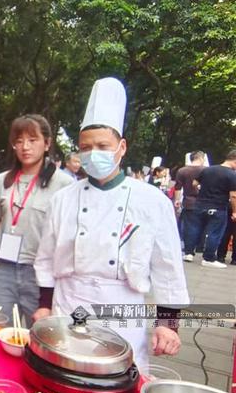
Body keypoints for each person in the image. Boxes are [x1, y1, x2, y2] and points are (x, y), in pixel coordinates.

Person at [33, 77, 189, 371]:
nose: (93, 153)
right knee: (63, 374)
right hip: (68, 303)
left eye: (103, 145)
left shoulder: (152, 201)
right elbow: (45, 257)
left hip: (122, 308)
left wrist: (168, 324)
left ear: (122, 147)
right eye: (85, 147)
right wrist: (44, 304)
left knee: (117, 382)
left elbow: (168, 269)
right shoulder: (64, 198)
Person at [0, 115, 73, 327]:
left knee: (39, 335)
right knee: (0, 329)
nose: (25, 147)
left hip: (40, 275)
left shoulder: (65, 185)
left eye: (32, 140)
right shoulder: (2, 181)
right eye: (19, 141)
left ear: (47, 143)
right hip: (3, 269)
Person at [183, 149, 236, 268]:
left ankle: (188, 253)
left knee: (194, 228)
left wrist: (203, 192)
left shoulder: (207, 170)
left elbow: (195, 184)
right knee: (214, 232)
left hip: (200, 203)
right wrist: (235, 211)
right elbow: (233, 195)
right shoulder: (232, 175)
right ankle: (209, 258)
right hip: (218, 206)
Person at [175, 150, 205, 257]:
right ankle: (203, 250)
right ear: (201, 158)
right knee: (205, 227)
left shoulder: (182, 171)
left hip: (189, 201)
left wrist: (177, 200)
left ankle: (189, 252)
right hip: (206, 202)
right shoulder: (207, 170)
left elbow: (178, 188)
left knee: (190, 227)